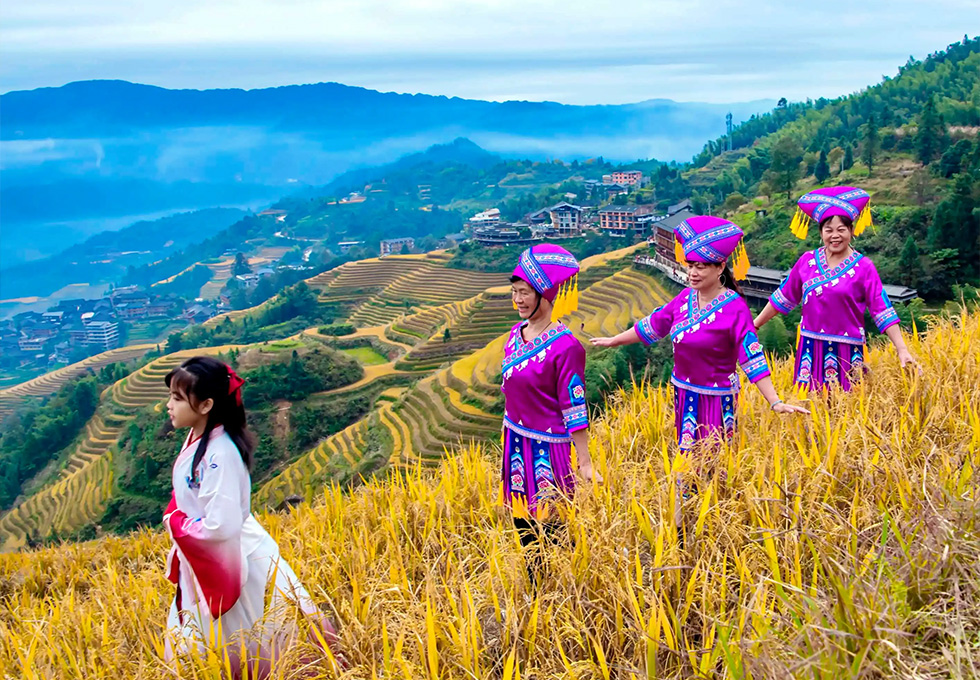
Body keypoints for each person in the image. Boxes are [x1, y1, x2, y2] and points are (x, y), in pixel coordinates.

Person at [162, 356, 345, 676]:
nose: (169, 405)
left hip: (236, 557)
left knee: (257, 637)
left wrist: (175, 521)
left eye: (177, 398)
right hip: (220, 554)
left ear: (206, 405)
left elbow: (221, 526)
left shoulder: (220, 454)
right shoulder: (200, 441)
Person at [591, 216, 807, 455]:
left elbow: (751, 357)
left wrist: (774, 401)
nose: (692, 272)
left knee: (714, 460)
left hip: (716, 399)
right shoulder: (684, 299)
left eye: (701, 266)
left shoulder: (735, 308)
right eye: (690, 265)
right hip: (684, 394)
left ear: (720, 267)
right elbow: (653, 325)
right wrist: (614, 340)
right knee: (686, 459)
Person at [502, 244, 600, 587]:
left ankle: (570, 587)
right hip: (516, 444)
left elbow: (574, 407)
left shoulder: (566, 346)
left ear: (545, 294)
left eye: (525, 292)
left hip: (549, 449)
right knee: (523, 525)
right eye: (514, 292)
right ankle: (537, 591)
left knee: (553, 525)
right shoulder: (515, 336)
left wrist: (585, 461)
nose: (518, 300)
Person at [753, 186, 916, 392]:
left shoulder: (864, 267)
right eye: (829, 230)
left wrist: (902, 348)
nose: (835, 235)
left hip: (847, 353)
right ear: (821, 233)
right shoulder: (807, 261)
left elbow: (881, 310)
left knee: (847, 412)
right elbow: (783, 297)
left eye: (841, 229)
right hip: (809, 352)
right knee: (809, 413)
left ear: (852, 231)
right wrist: (755, 325)